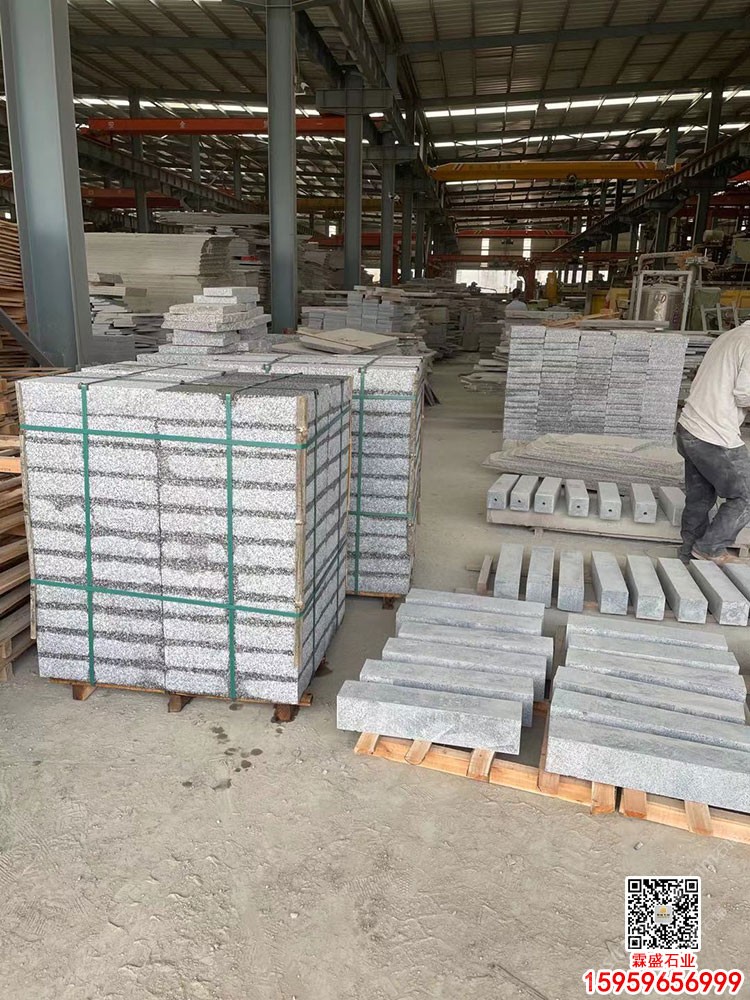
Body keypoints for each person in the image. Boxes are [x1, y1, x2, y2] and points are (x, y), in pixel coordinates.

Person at [676, 322, 750, 565]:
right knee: (746, 496)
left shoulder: (731, 336)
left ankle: (689, 554)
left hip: (689, 428)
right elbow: (744, 394)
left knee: (699, 497)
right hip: (714, 435)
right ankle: (710, 547)